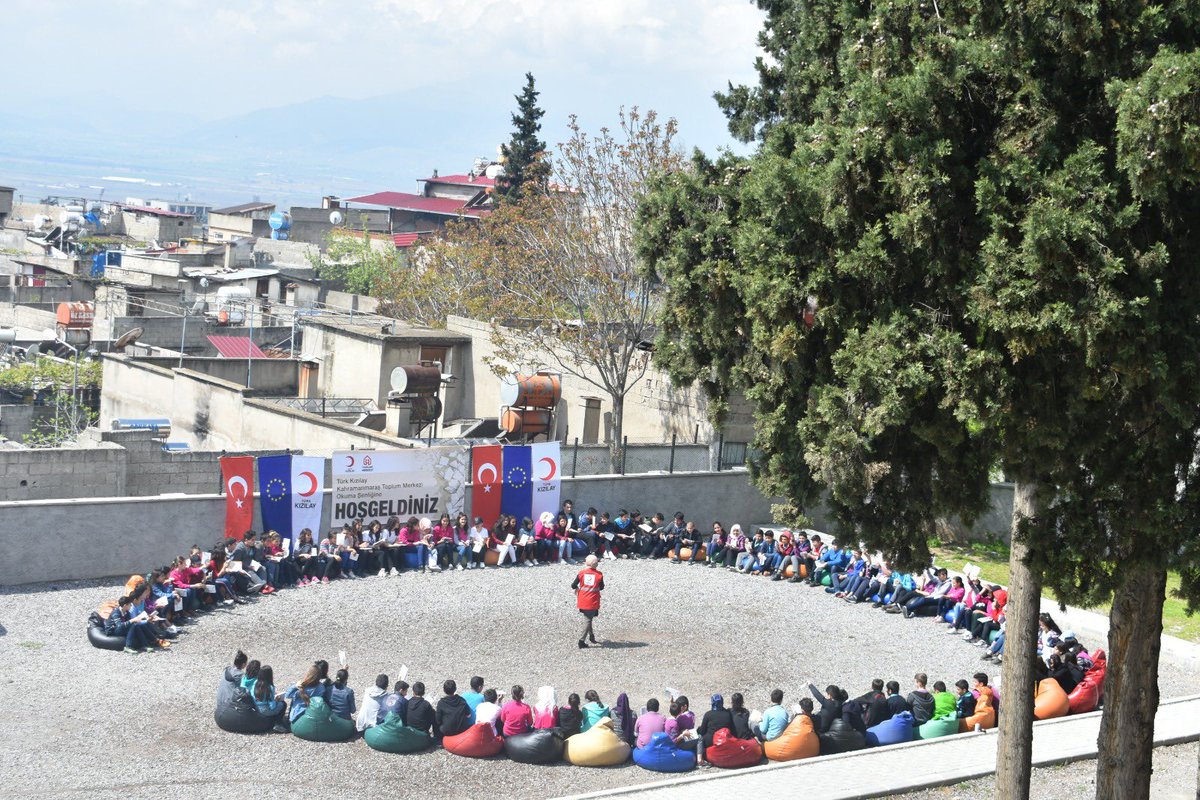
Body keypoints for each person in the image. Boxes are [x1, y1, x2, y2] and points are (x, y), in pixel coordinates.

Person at [572, 554, 605, 649]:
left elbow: (573, 585)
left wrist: (578, 589)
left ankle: (591, 636)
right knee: (588, 620)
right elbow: (601, 587)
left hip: (582, 600)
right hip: (592, 601)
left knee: (588, 618)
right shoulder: (599, 575)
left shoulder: (581, 573)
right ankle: (581, 641)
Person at [696, 694, 735, 765]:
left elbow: (702, 731)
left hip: (711, 741)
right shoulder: (728, 714)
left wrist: (698, 729)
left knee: (700, 737)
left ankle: (700, 758)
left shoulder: (708, 714)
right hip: (725, 739)